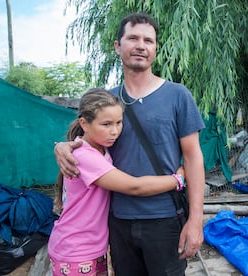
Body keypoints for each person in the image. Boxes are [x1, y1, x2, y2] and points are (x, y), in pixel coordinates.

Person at [55, 12, 205, 275]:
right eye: (133, 38)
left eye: (149, 40)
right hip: (117, 220)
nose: (141, 45)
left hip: (165, 218)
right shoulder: (106, 101)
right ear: (117, 46)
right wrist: (62, 146)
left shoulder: (178, 95)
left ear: (156, 48)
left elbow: (193, 158)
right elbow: (84, 140)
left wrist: (195, 221)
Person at [48, 88, 186, 276]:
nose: (114, 131)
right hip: (76, 249)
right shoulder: (85, 156)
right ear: (84, 124)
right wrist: (178, 179)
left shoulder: (100, 150)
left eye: (119, 123)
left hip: (90, 248)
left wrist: (61, 146)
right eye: (106, 124)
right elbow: (134, 186)